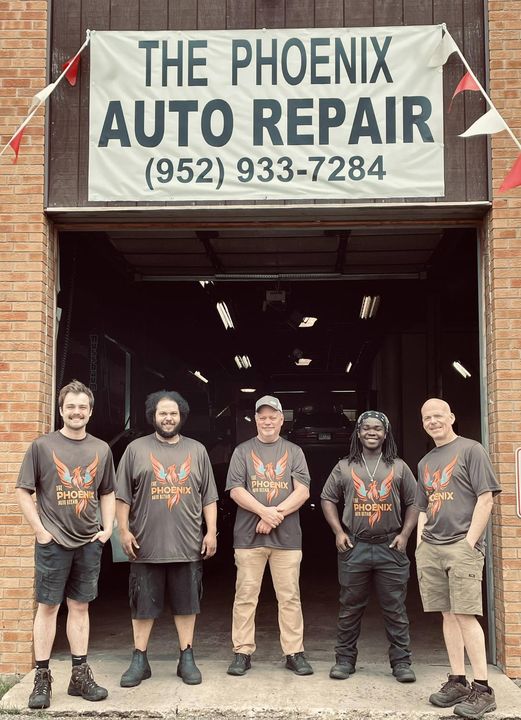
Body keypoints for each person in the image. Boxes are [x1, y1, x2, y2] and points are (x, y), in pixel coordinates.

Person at [15, 379, 116, 709]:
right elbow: (23, 491)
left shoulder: (101, 449)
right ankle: (42, 678)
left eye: (82, 407)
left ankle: (79, 676)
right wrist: (40, 531)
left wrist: (108, 528)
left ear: (90, 412)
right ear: (61, 410)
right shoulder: (42, 447)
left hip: (88, 541)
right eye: (70, 406)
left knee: (80, 607)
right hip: (53, 542)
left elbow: (107, 492)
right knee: (48, 607)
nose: (76, 412)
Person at [116, 390, 218, 687]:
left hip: (187, 545)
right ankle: (139, 659)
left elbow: (209, 497)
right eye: (163, 413)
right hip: (145, 545)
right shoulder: (135, 449)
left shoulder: (197, 450)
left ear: (181, 416)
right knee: (142, 605)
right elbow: (122, 496)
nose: (168, 418)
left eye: (173, 413)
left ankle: (186, 657)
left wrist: (211, 531)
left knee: (187, 604)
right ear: (153, 416)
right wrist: (123, 530)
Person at [415, 398, 501, 719]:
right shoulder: (425, 462)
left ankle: (483, 689)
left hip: (462, 546)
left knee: (465, 614)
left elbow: (485, 499)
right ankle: (458, 681)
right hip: (432, 547)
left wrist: (469, 543)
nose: (433, 421)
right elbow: (423, 507)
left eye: (438, 415)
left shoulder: (471, 450)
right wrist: (420, 545)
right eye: (427, 417)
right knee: (448, 614)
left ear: (451, 417)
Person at [321, 410, 417, 683]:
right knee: (350, 608)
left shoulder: (399, 466)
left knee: (395, 609)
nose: (371, 432)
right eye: (366, 428)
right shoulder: (344, 466)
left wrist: (405, 534)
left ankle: (401, 663)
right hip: (355, 546)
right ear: (358, 433)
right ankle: (344, 660)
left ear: (385, 434)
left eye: (377, 428)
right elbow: (327, 498)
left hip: (391, 546)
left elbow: (415, 502)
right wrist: (338, 531)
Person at [225, 395, 312, 677]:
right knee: (245, 596)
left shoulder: (294, 452)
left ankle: (294, 652)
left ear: (281, 420)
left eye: (272, 416)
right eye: (262, 417)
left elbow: (302, 492)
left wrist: (273, 516)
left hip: (287, 540)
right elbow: (236, 490)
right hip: (248, 539)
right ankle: (242, 652)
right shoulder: (242, 451)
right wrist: (264, 512)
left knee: (289, 598)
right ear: (255, 420)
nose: (267, 421)